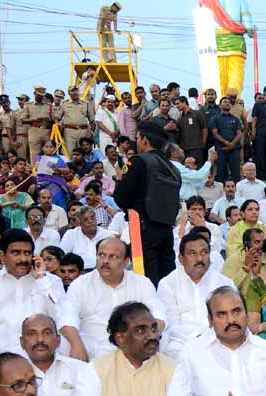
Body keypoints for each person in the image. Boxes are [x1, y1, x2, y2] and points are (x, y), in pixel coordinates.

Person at [59, 237, 166, 361]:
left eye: (113, 257)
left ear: (126, 262)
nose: (105, 261)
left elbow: (159, 317)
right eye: (101, 255)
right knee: (64, 342)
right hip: (91, 344)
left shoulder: (141, 283)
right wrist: (77, 345)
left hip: (131, 343)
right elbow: (67, 317)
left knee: (163, 337)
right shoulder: (80, 284)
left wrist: (142, 337)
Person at [0, 229, 64, 357]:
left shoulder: (51, 282)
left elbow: (61, 317)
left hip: (44, 358)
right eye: (16, 253)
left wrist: (41, 279)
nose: (23, 259)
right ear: (3, 256)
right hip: (2, 361)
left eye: (27, 253)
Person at [114, 120, 182, 286]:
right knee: (166, 279)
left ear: (144, 140)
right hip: (166, 229)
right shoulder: (173, 169)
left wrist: (120, 180)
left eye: (137, 138)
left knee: (144, 277)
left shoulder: (138, 162)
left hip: (141, 227)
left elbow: (121, 198)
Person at [157, 231, 236, 359]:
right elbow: (171, 325)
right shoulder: (167, 284)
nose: (199, 258)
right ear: (181, 259)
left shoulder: (224, 284)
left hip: (219, 340)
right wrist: (198, 341)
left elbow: (230, 320)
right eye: (192, 253)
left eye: (204, 252)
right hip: (180, 344)